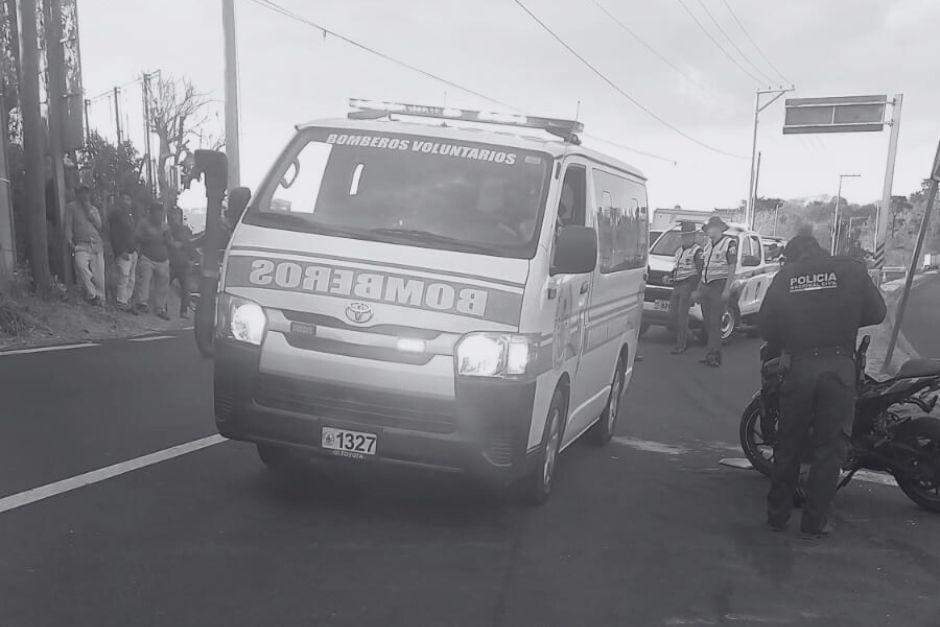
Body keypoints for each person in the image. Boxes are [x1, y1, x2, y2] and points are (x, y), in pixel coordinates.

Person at [758, 232, 886, 538]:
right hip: (839, 367)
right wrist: (846, 320)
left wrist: (790, 335)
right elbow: (878, 312)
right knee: (829, 450)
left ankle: (777, 517)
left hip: (799, 366)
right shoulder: (852, 270)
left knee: (789, 444)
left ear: (793, 256)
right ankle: (814, 524)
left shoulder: (786, 276)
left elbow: (765, 326)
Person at [697, 215, 737, 367]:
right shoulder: (708, 244)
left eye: (711, 228)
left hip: (718, 286)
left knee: (715, 321)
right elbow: (704, 267)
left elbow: (732, 266)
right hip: (706, 285)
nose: (708, 231)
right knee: (707, 322)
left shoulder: (729, 243)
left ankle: (715, 355)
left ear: (719, 228)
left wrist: (727, 288)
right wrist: (699, 288)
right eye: (707, 228)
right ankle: (710, 352)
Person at [64, 186, 106, 305]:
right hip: (82, 244)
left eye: (86, 193)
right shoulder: (71, 207)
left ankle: (100, 299)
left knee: (99, 274)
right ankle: (92, 294)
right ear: (77, 194)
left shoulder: (93, 209)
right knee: (81, 265)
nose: (84, 195)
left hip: (96, 243)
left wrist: (89, 211)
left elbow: (99, 226)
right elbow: (68, 224)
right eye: (81, 192)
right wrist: (69, 240)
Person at [669, 221, 703, 354]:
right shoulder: (678, 251)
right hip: (677, 285)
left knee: (682, 316)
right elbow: (676, 268)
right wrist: (669, 276)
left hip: (688, 285)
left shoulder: (697, 251)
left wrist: (697, 290)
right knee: (673, 315)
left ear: (693, 237)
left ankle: (681, 345)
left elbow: (701, 272)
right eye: (683, 236)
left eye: (688, 236)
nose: (685, 238)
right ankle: (688, 336)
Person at [133, 202, 171, 320]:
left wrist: (167, 238)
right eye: (157, 212)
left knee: (162, 285)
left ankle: (160, 308)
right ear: (151, 213)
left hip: (162, 259)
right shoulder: (143, 223)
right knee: (144, 281)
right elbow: (136, 237)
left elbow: (169, 241)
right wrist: (151, 238)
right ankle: (142, 303)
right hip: (147, 257)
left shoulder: (165, 225)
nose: (159, 215)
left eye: (161, 212)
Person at [109, 193, 138, 312]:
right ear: (120, 202)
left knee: (131, 279)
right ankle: (121, 301)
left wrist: (136, 250)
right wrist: (120, 251)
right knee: (124, 277)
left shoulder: (129, 217)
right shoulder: (116, 216)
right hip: (124, 252)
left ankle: (126, 301)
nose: (127, 202)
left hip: (133, 251)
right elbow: (114, 235)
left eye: (128, 199)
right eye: (124, 199)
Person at [167, 207, 196, 319]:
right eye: (173, 214)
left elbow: (190, 246)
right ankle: (162, 309)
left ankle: (183, 311)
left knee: (186, 290)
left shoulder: (185, 230)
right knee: (164, 287)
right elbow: (166, 243)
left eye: (177, 214)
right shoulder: (167, 229)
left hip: (183, 264)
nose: (175, 217)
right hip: (170, 263)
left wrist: (192, 260)